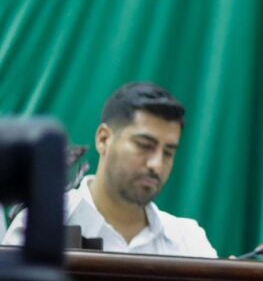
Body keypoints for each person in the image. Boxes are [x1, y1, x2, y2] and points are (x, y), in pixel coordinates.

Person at [3, 82, 217, 257]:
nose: (156, 164)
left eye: (168, 153)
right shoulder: (39, 228)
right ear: (104, 139)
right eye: (145, 145)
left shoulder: (189, 242)